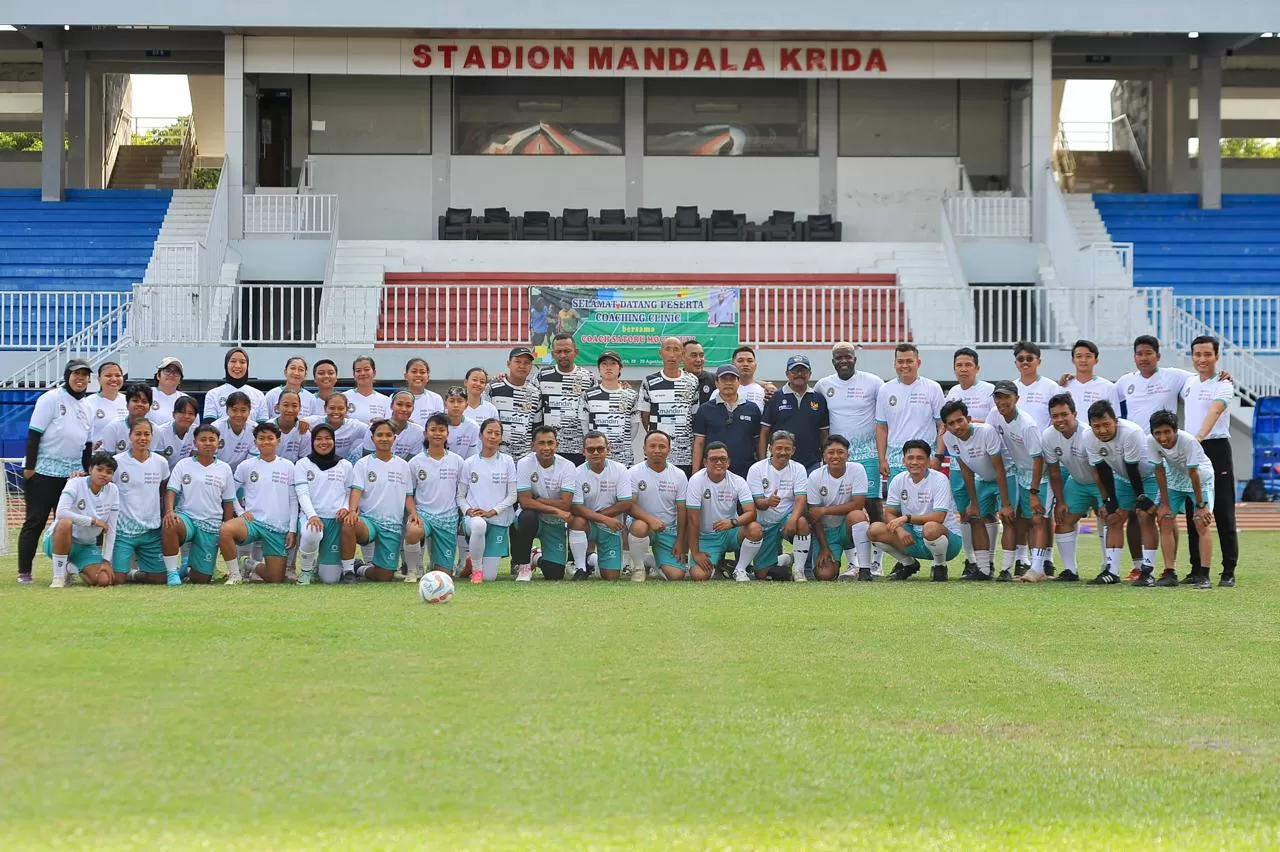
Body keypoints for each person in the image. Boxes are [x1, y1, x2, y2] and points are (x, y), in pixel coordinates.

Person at [17, 358, 93, 584]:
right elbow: (34, 434)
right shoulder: (50, 398)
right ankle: (24, 572)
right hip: (43, 472)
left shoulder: (87, 406)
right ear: (67, 376)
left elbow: (87, 445)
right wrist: (30, 468)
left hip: (71, 475)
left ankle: (65, 570)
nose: (80, 379)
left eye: (84, 375)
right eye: (75, 374)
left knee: (68, 523)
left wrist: (86, 472)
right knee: (36, 521)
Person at [814, 341, 885, 571]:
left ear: (855, 359)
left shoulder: (874, 383)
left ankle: (877, 562)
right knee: (842, 506)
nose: (844, 361)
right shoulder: (823, 385)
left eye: (848, 357)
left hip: (868, 455)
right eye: (839, 357)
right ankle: (854, 562)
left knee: (873, 506)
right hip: (838, 457)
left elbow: (883, 419)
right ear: (833, 361)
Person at [1180, 335, 1238, 587]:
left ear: (1216, 356)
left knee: (1223, 510)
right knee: (1194, 509)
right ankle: (1196, 568)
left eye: (1207, 354)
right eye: (1197, 354)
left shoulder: (1224, 384)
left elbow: (1215, 411)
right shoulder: (1188, 382)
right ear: (1192, 356)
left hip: (1214, 447)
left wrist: (1198, 438)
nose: (1202, 359)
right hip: (1192, 449)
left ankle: (1228, 570)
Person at [1083, 400, 1159, 585]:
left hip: (1148, 476)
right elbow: (1102, 469)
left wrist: (1140, 498)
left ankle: (1148, 571)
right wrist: (1110, 501)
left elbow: (1133, 468)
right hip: (1122, 476)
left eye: (1106, 424)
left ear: (1115, 421)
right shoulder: (1087, 436)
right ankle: (1112, 571)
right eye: (1097, 426)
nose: (1102, 430)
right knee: (1113, 517)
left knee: (1144, 516)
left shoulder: (1131, 432)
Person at [940, 400, 1012, 582]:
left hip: (1007, 476)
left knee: (1010, 517)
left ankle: (1007, 570)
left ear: (969, 419)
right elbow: (966, 470)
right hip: (983, 479)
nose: (957, 426)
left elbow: (999, 469)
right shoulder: (949, 438)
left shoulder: (986, 431)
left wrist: (1005, 504)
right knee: (974, 517)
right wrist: (973, 503)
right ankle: (984, 569)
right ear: (946, 426)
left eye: (960, 420)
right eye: (951, 423)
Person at [872, 440, 964, 582]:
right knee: (874, 530)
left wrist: (906, 519)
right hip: (913, 536)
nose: (914, 462)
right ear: (904, 461)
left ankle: (940, 566)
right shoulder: (898, 480)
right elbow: (889, 513)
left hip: (947, 540)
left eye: (920, 458)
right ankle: (908, 564)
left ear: (928, 461)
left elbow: (939, 517)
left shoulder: (940, 479)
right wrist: (900, 530)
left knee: (931, 527)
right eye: (910, 458)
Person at [220, 423, 298, 584]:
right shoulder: (246, 465)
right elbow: (230, 492)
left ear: (278, 441)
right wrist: (240, 511)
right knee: (226, 530)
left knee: (275, 578)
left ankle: (248, 563)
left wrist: (292, 529)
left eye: (270, 438)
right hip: (253, 522)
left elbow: (293, 499)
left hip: (278, 526)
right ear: (255, 443)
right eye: (261, 438)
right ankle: (235, 574)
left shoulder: (288, 466)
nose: (266, 442)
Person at [338, 419, 414, 583]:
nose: (384, 439)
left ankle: (359, 569)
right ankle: (348, 571)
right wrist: (352, 511)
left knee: (384, 576)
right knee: (348, 523)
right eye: (379, 435)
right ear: (372, 438)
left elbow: (408, 495)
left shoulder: (403, 465)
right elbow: (356, 489)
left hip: (391, 525)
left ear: (395, 438)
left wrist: (413, 513)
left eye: (388, 435)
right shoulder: (363, 463)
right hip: (369, 522)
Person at [990, 381, 1051, 582]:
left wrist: (1034, 492)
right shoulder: (994, 416)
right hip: (1017, 473)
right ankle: (1020, 565)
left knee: (1037, 519)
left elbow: (1038, 459)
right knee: (1018, 520)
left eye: (1007, 397)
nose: (1002, 401)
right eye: (998, 397)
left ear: (1017, 398)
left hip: (1039, 475)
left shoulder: (1027, 424)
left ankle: (1038, 567)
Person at [1149, 410, 1216, 590]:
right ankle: (1169, 572)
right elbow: (1159, 470)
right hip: (1175, 477)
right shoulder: (1151, 441)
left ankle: (1204, 575)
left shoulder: (1188, 442)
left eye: (1166, 432)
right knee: (1164, 519)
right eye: (1158, 433)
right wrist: (1164, 503)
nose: (1162, 437)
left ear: (1175, 430)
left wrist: (1201, 506)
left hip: (1200, 478)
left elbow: (1194, 472)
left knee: (1201, 521)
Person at [1041, 393, 1103, 583]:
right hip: (1077, 481)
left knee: (1109, 516)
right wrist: (1060, 501)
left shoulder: (1088, 434)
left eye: (1064, 414)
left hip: (1100, 481)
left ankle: (1109, 567)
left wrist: (1106, 499)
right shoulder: (1048, 435)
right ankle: (1070, 570)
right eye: (1055, 416)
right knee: (1063, 518)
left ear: (1074, 414)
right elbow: (1054, 472)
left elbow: (1099, 470)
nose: (1059, 420)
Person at [163, 424, 236, 585]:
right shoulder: (183, 464)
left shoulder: (224, 469)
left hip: (211, 523)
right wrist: (169, 511)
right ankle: (172, 573)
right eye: (203, 440)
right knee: (170, 524)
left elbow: (228, 501)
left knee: (201, 579)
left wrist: (226, 526)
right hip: (186, 518)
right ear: (195, 442)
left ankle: (187, 568)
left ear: (218, 443)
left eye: (212, 440)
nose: (208, 443)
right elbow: (171, 490)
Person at [684, 442, 764, 582]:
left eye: (723, 459)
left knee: (755, 529)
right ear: (705, 462)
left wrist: (733, 523)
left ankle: (740, 569)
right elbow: (693, 520)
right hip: (707, 536)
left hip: (731, 533)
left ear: (728, 462)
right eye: (713, 459)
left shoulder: (738, 481)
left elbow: (751, 513)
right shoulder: (696, 481)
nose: (719, 463)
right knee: (699, 575)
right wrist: (695, 553)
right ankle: (722, 565)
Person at [44, 451, 120, 588]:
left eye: (109, 472)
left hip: (85, 546)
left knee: (103, 580)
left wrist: (107, 560)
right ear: (90, 470)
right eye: (100, 469)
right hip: (58, 539)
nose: (104, 474)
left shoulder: (113, 490)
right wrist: (92, 521)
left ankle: (69, 567)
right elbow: (61, 513)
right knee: (65, 523)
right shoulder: (75, 483)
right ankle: (58, 577)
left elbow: (111, 528)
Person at [404, 414, 465, 583]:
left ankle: (437, 564)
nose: (437, 433)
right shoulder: (415, 462)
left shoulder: (457, 461)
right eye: (433, 430)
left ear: (447, 433)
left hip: (448, 518)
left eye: (441, 430)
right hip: (424, 515)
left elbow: (461, 493)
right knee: (413, 530)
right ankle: (412, 570)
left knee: (443, 576)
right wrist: (413, 513)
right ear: (425, 434)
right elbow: (408, 494)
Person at [513, 425, 578, 581]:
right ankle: (524, 566)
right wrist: (556, 510)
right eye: (541, 443)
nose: (546, 447)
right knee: (527, 516)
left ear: (557, 444)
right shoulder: (524, 463)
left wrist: (541, 500)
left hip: (554, 523)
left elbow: (566, 504)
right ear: (533, 445)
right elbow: (525, 501)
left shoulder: (568, 466)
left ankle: (536, 557)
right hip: (533, 518)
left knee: (555, 574)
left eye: (550, 443)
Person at [457, 418, 518, 584]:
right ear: (480, 435)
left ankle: (471, 560)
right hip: (474, 518)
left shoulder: (507, 461)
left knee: (490, 577)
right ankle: (476, 569)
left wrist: (493, 511)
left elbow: (513, 495)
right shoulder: (469, 463)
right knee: (479, 525)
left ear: (501, 437)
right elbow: (460, 497)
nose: (492, 436)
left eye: (497, 433)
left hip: (498, 519)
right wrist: (468, 511)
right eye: (489, 432)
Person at [294, 424, 356, 585]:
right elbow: (302, 493)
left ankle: (320, 568)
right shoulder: (303, 464)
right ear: (313, 441)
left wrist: (345, 508)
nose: (324, 442)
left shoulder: (345, 465)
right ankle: (306, 572)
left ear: (334, 441)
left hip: (335, 520)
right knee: (312, 532)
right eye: (319, 438)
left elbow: (349, 493)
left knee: (330, 579)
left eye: (328, 438)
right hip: (311, 517)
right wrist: (312, 515)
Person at [876, 343, 945, 487]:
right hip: (896, 460)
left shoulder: (933, 388)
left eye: (909, 361)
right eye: (900, 361)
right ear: (894, 363)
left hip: (926, 459)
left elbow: (942, 425)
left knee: (926, 504)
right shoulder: (885, 390)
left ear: (918, 363)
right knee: (897, 506)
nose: (905, 365)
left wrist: (938, 456)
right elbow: (882, 428)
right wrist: (882, 459)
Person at [805, 435, 872, 581]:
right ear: (824, 455)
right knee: (824, 575)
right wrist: (824, 548)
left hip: (845, 528)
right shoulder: (815, 476)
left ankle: (865, 570)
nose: (836, 456)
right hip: (826, 532)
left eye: (840, 452)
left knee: (858, 515)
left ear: (848, 454)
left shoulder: (857, 469)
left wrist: (825, 510)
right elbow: (814, 516)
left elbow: (858, 504)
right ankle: (836, 562)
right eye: (831, 452)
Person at [747, 431, 812, 581]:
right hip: (765, 525)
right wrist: (767, 502)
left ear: (793, 450)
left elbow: (801, 499)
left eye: (787, 449)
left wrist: (793, 518)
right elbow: (758, 503)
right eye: (779, 448)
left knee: (801, 523)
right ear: (770, 448)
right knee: (761, 575)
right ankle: (788, 558)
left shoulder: (799, 468)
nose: (783, 452)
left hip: (786, 519)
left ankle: (799, 570)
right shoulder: (757, 469)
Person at [569, 431, 634, 581]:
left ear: (608, 449)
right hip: (589, 523)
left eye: (600, 448)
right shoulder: (576, 473)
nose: (596, 452)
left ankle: (592, 559)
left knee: (611, 577)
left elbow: (625, 502)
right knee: (577, 521)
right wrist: (604, 519)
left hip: (610, 526)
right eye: (591, 450)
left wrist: (602, 517)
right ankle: (580, 568)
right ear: (583, 451)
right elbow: (577, 508)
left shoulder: (620, 469)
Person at [113, 418, 172, 584]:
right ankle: (126, 573)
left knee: (160, 579)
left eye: (147, 434)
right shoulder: (117, 462)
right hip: (123, 531)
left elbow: (165, 490)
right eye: (138, 434)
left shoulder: (161, 462)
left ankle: (134, 574)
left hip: (151, 531)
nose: (143, 438)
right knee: (117, 580)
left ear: (152, 436)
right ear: (130, 436)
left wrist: (167, 511)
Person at [627, 430, 690, 582]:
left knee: (676, 576)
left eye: (662, 446)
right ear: (644, 449)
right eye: (652, 446)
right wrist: (651, 520)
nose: (657, 450)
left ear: (669, 449)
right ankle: (639, 568)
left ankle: (649, 560)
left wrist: (680, 541)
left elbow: (682, 510)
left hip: (668, 529)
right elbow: (629, 505)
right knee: (640, 526)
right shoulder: (633, 472)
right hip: (643, 525)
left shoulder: (679, 474)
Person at [640, 337, 701, 475]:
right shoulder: (649, 381)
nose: (672, 354)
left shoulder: (692, 381)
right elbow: (645, 416)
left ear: (683, 354)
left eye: (676, 350)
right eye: (668, 349)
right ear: (661, 353)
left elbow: (694, 414)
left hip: (683, 453)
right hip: (657, 452)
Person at [535, 333, 597, 466]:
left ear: (576, 352)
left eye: (567, 351)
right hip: (549, 449)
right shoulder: (542, 376)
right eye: (558, 351)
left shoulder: (588, 378)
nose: (563, 355)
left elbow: (593, 413)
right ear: (553, 354)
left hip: (578, 449)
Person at [759, 355, 829, 471]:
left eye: (803, 370)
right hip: (780, 463)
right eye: (795, 370)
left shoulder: (819, 398)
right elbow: (764, 432)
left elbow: (824, 434)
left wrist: (826, 459)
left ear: (810, 374)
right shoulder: (775, 397)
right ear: (787, 374)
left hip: (811, 464)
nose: (799, 374)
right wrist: (762, 461)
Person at [692, 364, 762, 478]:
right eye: (724, 379)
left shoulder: (752, 409)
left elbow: (758, 442)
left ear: (738, 382)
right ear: (716, 383)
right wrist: (695, 474)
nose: (728, 383)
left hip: (746, 472)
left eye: (732, 379)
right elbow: (699, 443)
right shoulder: (705, 409)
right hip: (713, 473)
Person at [582, 350, 638, 467]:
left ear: (620, 368)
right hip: (596, 457)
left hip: (623, 457)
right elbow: (584, 425)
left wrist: (621, 445)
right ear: (598, 368)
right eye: (604, 364)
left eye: (613, 363)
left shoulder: (632, 395)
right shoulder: (587, 395)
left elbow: (634, 426)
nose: (608, 367)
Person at [486, 347, 541, 462]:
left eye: (527, 363)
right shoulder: (493, 388)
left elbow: (536, 427)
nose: (522, 366)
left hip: (525, 458)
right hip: (497, 456)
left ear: (531, 366)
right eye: (518, 361)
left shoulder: (535, 393)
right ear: (508, 364)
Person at [204, 348, 267, 423]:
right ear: (226, 365)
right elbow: (209, 427)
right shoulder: (213, 394)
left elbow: (263, 428)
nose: (237, 366)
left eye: (242, 362)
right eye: (233, 361)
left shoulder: (258, 395)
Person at [302, 393, 370, 462]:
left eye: (341, 408)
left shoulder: (354, 425)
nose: (336, 412)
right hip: (315, 463)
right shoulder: (314, 421)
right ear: (325, 408)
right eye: (332, 408)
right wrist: (301, 421)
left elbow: (371, 431)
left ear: (347, 409)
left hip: (342, 466)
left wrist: (374, 422)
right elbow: (298, 422)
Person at [361, 390, 425, 461]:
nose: (404, 409)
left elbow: (411, 462)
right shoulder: (375, 427)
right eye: (399, 404)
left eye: (408, 406)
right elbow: (367, 458)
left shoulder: (418, 432)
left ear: (413, 408)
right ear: (391, 406)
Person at [1011, 342, 1061, 428]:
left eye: (1029, 358)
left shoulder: (1051, 386)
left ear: (1038, 361)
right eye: (1020, 359)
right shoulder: (1011, 387)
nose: (1025, 362)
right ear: (1016, 363)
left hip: (1043, 440)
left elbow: (1057, 416)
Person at [1064, 339, 1119, 416]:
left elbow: (1115, 418)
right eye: (1079, 356)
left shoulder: (1108, 387)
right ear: (1073, 360)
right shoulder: (1063, 386)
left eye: (1088, 356)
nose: (1083, 360)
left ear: (1096, 360)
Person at [95, 382, 154, 455]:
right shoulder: (113, 427)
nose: (140, 404)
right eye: (135, 401)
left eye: (144, 402)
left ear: (149, 407)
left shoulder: (156, 429)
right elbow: (108, 460)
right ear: (127, 405)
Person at [709, 345, 772, 411]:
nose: (745, 364)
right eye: (740, 360)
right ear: (733, 365)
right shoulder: (718, 393)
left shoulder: (766, 393)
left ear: (755, 365)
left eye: (750, 361)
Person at [945, 348, 994, 423]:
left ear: (977, 368)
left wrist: (969, 424)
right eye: (959, 365)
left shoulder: (990, 390)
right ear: (954, 369)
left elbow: (998, 422)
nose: (963, 369)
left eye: (968, 365)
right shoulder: (952, 392)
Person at [213, 391, 258, 470]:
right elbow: (211, 459)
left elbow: (252, 462)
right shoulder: (216, 427)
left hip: (244, 472)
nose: (239, 414)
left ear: (249, 411)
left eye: (243, 410)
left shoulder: (255, 429)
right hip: (219, 471)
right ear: (227, 410)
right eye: (234, 410)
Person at [85, 361, 127, 444]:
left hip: (123, 454)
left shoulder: (128, 401)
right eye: (108, 375)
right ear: (99, 379)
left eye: (118, 375)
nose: (114, 379)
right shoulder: (88, 403)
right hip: (97, 455)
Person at [262, 388, 308, 462]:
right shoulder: (268, 427)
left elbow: (304, 461)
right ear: (277, 407)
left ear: (300, 408)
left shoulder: (303, 430)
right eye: (285, 405)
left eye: (295, 406)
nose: (290, 410)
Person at [151, 395, 199, 465]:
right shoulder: (161, 432)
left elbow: (194, 460)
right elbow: (159, 464)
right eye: (182, 412)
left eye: (191, 413)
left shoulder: (196, 432)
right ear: (173, 414)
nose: (186, 416)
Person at [344, 355, 391, 423]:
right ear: (354, 375)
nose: (362, 373)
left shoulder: (386, 400)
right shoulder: (344, 397)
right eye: (358, 370)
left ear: (374, 373)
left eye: (366, 369)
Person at [403, 357, 445, 427]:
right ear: (406, 376)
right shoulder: (394, 397)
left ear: (428, 377)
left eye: (422, 372)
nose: (418, 375)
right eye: (414, 371)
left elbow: (440, 425)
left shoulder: (436, 399)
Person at [443, 386, 481, 458]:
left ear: (466, 405)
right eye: (451, 401)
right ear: (445, 404)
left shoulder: (473, 427)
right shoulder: (437, 424)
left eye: (460, 401)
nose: (456, 405)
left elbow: (472, 456)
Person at [150, 356, 187, 424]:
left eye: (176, 372)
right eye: (167, 371)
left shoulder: (186, 400)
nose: (171, 375)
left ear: (180, 380)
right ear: (158, 375)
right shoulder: (146, 394)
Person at [682, 339, 718, 405]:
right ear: (682, 357)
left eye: (701, 355)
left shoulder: (714, 380)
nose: (698, 360)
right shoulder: (677, 380)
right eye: (694, 355)